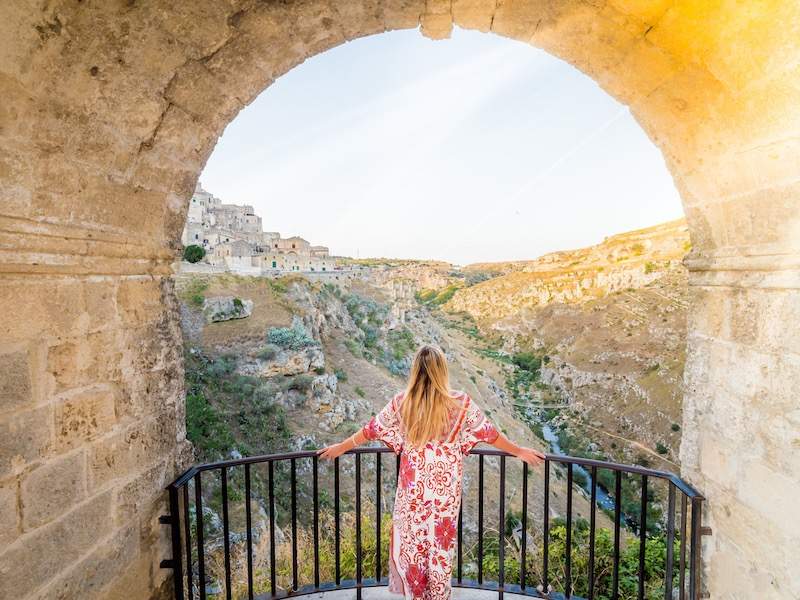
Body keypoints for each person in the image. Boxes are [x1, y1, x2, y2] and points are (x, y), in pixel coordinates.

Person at [318, 345, 545, 600]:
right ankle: (439, 595)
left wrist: (342, 447)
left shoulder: (402, 403)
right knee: (440, 547)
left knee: (414, 546)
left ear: (415, 370)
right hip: (444, 491)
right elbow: (489, 434)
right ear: (442, 371)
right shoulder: (460, 403)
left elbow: (370, 430)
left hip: (412, 491)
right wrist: (518, 451)